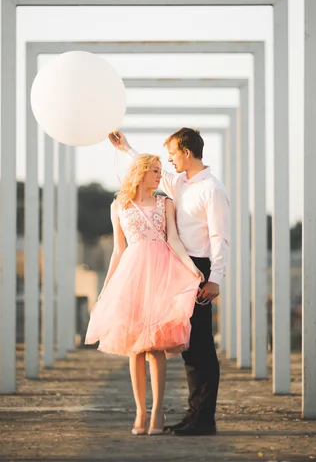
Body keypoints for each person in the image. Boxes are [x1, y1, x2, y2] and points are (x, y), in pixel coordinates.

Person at [109, 128, 230, 436]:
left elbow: (219, 237)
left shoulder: (212, 189)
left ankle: (204, 419)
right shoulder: (180, 183)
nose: (170, 160)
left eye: (174, 154)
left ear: (187, 153)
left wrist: (215, 278)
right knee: (188, 344)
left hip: (200, 267)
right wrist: (126, 148)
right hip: (176, 266)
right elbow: (148, 173)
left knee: (201, 342)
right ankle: (194, 414)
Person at [85, 154, 203, 436]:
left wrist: (191, 267)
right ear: (140, 172)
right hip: (132, 274)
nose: (159, 176)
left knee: (156, 345)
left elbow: (173, 238)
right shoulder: (119, 205)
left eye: (161, 171)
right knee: (135, 347)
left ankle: (158, 409)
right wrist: (107, 286)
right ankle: (140, 410)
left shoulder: (165, 203)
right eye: (154, 171)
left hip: (161, 272)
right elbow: (117, 249)